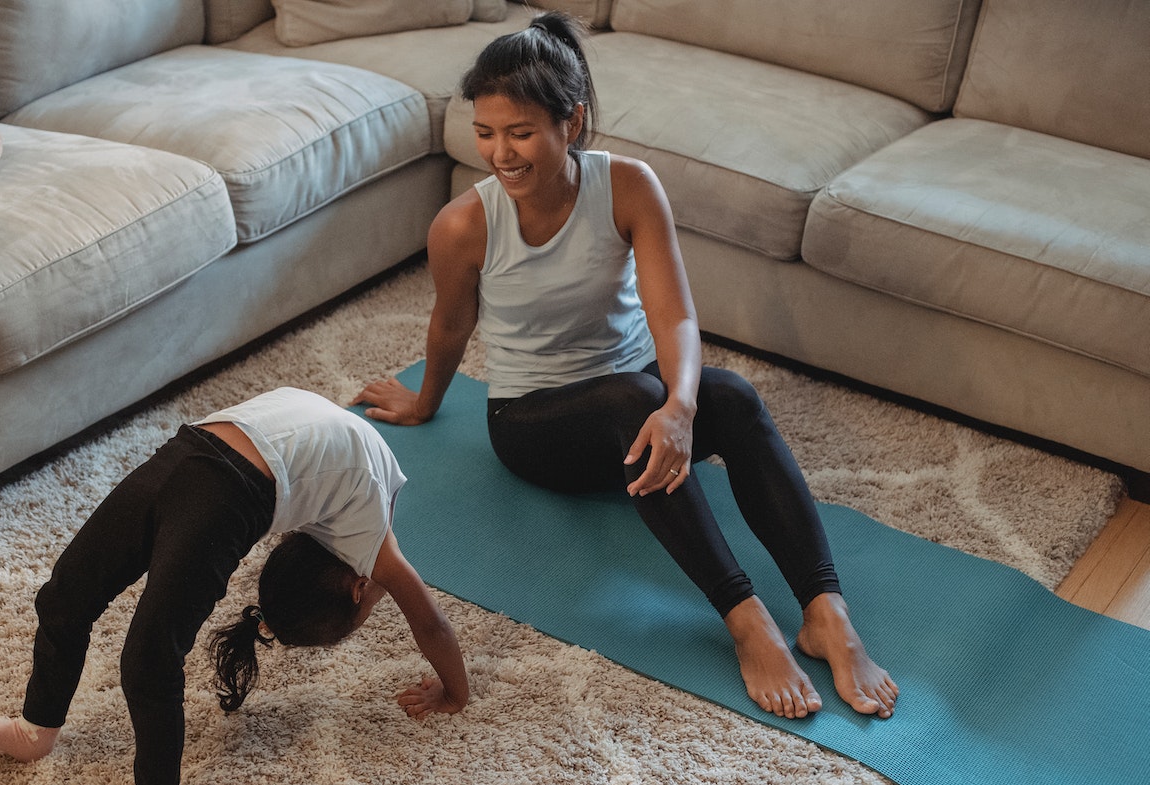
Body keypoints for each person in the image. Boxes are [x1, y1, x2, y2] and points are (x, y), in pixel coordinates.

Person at [354, 11, 896, 724]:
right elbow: (452, 321)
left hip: (635, 395)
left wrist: (683, 406)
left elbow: (673, 315)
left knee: (729, 395)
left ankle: (825, 610)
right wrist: (426, 399)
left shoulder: (630, 186)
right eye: (485, 133)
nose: (499, 153)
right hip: (532, 422)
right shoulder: (464, 225)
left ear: (570, 122)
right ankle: (747, 620)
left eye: (519, 132)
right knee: (634, 399)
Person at [0, 387, 469, 785]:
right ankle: (37, 728)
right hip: (202, 454)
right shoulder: (376, 547)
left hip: (210, 449)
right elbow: (432, 626)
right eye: (372, 606)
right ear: (358, 588)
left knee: (143, 651)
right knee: (65, 596)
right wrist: (456, 693)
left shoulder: (339, 516)